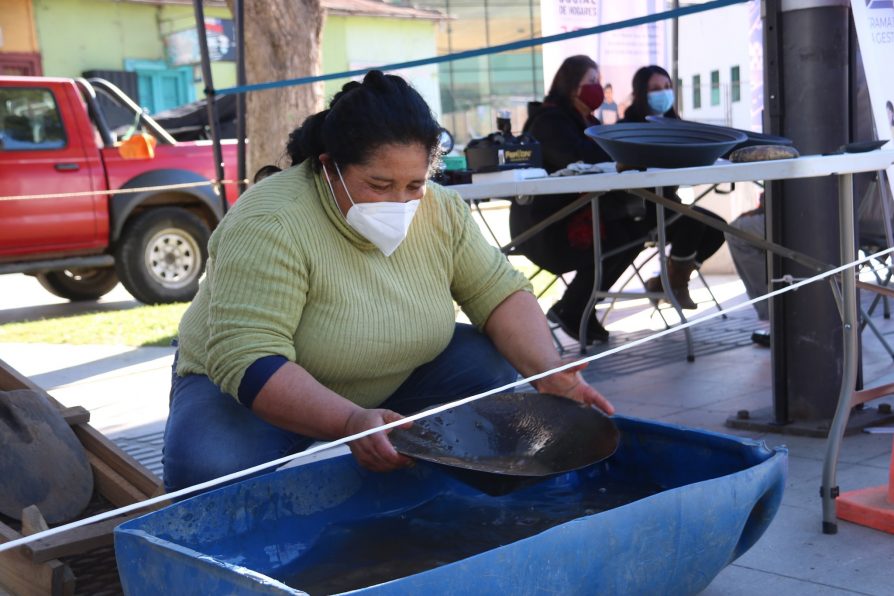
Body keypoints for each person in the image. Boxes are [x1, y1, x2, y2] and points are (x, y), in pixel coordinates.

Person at [162, 70, 614, 493]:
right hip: (252, 389)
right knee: (208, 468)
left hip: (389, 376)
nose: (399, 201)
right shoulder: (271, 221)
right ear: (328, 166)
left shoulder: (441, 210)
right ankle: (360, 435)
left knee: (486, 364)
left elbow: (498, 292)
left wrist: (548, 371)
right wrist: (350, 422)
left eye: (413, 185)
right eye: (378, 185)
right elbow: (249, 356)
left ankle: (422, 478)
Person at [509, 55, 648, 344]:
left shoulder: (586, 121)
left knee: (635, 233)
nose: (597, 87)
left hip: (582, 214)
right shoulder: (548, 122)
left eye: (598, 81)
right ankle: (574, 308)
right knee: (620, 238)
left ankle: (578, 307)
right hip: (548, 226)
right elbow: (578, 157)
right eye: (591, 82)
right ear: (571, 86)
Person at [620, 65, 727, 309]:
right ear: (640, 93)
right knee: (694, 221)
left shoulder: (673, 124)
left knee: (717, 228)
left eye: (667, 87)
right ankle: (675, 287)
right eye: (656, 89)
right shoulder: (628, 125)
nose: (663, 93)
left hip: (669, 202)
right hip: (640, 209)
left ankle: (668, 282)